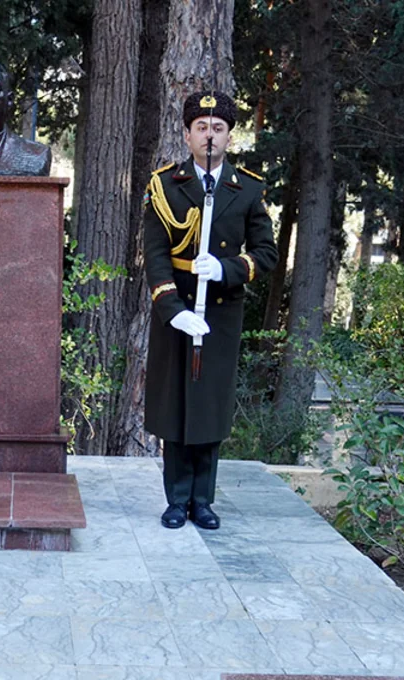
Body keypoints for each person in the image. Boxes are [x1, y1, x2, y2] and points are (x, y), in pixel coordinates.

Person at [142, 90, 278, 530]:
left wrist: (226, 268)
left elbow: (267, 253)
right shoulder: (165, 186)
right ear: (187, 135)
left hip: (220, 312)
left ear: (229, 136)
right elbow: (155, 254)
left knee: (209, 405)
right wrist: (171, 308)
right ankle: (176, 499)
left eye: (218, 128)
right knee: (176, 404)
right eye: (201, 128)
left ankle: (203, 500)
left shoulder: (248, 188)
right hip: (177, 310)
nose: (209, 136)